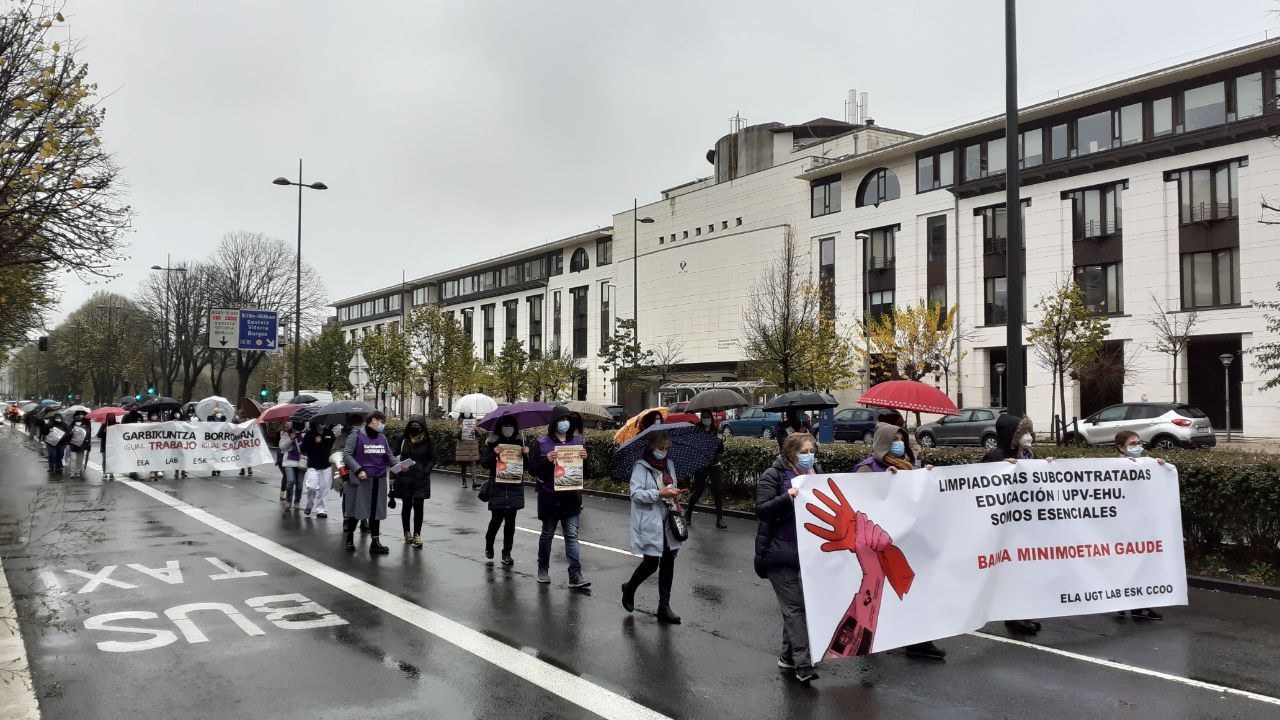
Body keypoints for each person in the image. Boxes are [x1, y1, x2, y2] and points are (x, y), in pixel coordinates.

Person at [851, 423, 947, 661]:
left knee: (918, 591)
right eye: (894, 439)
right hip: (881, 546)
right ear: (883, 442)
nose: (899, 443)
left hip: (910, 541)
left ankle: (920, 642)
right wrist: (882, 483)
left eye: (901, 438)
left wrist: (926, 477)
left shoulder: (908, 465)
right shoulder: (867, 469)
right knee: (884, 596)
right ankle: (871, 639)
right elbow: (859, 503)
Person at [756, 433, 820, 684]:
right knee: (795, 608)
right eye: (804, 451)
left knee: (795, 607)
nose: (809, 456)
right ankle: (803, 665)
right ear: (790, 453)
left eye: (811, 450)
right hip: (779, 552)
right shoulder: (773, 475)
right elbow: (762, 510)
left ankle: (786, 656)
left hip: (806, 551)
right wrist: (787, 498)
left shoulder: (815, 472)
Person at [983, 413, 1046, 636]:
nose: (1029, 437)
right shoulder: (996, 456)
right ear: (1013, 436)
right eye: (1024, 433)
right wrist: (1002, 468)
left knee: (1024, 572)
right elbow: (983, 488)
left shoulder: (1029, 455)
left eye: (1030, 432)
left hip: (1026, 525)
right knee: (1011, 573)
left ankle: (1021, 612)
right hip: (1007, 528)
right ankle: (1014, 615)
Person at [622, 429, 687, 624]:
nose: (664, 451)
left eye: (667, 448)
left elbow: (670, 486)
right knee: (651, 564)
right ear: (651, 446)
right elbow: (635, 494)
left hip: (668, 519)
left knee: (669, 562)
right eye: (660, 448)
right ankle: (630, 588)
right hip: (650, 522)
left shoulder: (669, 464)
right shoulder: (641, 467)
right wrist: (659, 494)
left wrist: (675, 494)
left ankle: (664, 607)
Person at [527, 405, 590, 588]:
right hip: (549, 496)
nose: (564, 423)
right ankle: (543, 569)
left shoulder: (577, 442)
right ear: (554, 423)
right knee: (547, 534)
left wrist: (586, 459)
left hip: (571, 497)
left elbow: (584, 472)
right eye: (560, 420)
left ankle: (575, 574)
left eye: (567, 420)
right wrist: (547, 461)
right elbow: (532, 469)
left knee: (572, 535)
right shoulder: (541, 443)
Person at [1114, 430, 1166, 622]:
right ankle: (1123, 602)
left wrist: (1160, 467)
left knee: (1143, 565)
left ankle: (1139, 605)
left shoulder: (1147, 464)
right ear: (1121, 447)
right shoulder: (1114, 466)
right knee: (1127, 565)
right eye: (1132, 443)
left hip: (1142, 526)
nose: (1138, 446)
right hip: (1124, 527)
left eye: (1138, 442)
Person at [342, 411, 392, 554]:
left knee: (376, 511)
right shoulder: (356, 435)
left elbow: (389, 455)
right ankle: (350, 539)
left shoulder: (382, 437)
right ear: (374, 420)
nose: (383, 425)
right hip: (361, 479)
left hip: (379, 479)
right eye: (382, 422)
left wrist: (400, 466)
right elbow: (347, 455)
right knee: (356, 510)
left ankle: (375, 542)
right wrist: (358, 470)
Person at [478, 416, 526, 565]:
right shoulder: (493, 443)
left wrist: (526, 454)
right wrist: (495, 453)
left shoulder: (520, 442)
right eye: (505, 426)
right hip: (497, 485)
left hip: (514, 486)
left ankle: (507, 552)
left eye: (511, 426)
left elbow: (529, 466)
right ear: (500, 427)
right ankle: (489, 543)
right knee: (496, 519)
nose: (508, 428)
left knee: (510, 522)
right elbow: (484, 463)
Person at [392, 415, 436, 548]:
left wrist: (425, 470)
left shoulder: (428, 440)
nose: (415, 427)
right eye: (413, 424)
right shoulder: (404, 439)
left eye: (418, 425)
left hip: (420, 478)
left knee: (418, 506)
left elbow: (433, 458)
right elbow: (395, 455)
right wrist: (396, 471)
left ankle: (417, 534)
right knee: (406, 506)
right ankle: (407, 532)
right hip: (404, 477)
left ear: (422, 426)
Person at [685, 410, 727, 529]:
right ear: (701, 418)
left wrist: (720, 441)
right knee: (698, 490)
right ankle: (688, 514)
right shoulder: (697, 429)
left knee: (717, 491)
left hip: (714, 464)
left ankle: (720, 519)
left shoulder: (716, 430)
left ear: (712, 418)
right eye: (704, 417)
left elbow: (720, 451)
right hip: (701, 464)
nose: (706, 419)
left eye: (708, 417)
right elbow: (693, 446)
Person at [301, 421, 336, 518]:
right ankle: (309, 505)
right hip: (313, 465)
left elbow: (333, 447)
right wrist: (314, 442)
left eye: (324, 422)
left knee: (324, 488)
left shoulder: (329, 433)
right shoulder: (309, 434)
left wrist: (323, 442)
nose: (322, 424)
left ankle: (321, 510)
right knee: (311, 487)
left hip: (326, 465)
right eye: (320, 422)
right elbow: (303, 448)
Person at [279, 422, 305, 510]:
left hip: (302, 462)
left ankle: (297, 502)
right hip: (289, 461)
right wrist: (290, 438)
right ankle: (288, 501)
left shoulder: (305, 433)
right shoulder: (286, 433)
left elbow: (309, 448)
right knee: (290, 481)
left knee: (299, 484)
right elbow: (282, 447)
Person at [455, 413, 481, 489]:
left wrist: (476, 429)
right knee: (463, 466)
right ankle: (464, 482)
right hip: (462, 448)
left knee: (473, 464)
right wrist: (460, 429)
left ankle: (474, 482)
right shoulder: (459, 423)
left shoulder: (474, 422)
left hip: (472, 448)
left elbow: (480, 434)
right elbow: (455, 435)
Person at [65, 412, 93, 479]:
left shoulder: (85, 427)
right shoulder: (71, 427)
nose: (78, 423)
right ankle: (72, 472)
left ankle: (77, 471)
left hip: (82, 446)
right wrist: (71, 433)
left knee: (80, 460)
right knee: (73, 459)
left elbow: (88, 435)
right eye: (77, 421)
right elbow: (67, 436)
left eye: (79, 421)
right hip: (73, 446)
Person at [43, 412, 71, 477]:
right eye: (57, 418)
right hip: (51, 443)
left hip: (61, 443)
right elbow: (44, 432)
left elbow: (68, 432)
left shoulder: (64, 425)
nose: (58, 419)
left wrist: (64, 435)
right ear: (54, 418)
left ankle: (58, 466)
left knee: (60, 454)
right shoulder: (50, 424)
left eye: (59, 418)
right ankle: (51, 466)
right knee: (52, 454)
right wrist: (48, 430)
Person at [97, 414, 117, 481]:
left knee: (112, 460)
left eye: (112, 416)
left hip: (113, 445)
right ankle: (104, 473)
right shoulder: (104, 425)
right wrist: (104, 431)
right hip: (104, 445)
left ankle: (111, 473)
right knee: (105, 459)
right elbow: (99, 435)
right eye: (110, 416)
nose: (111, 417)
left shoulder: (117, 425)